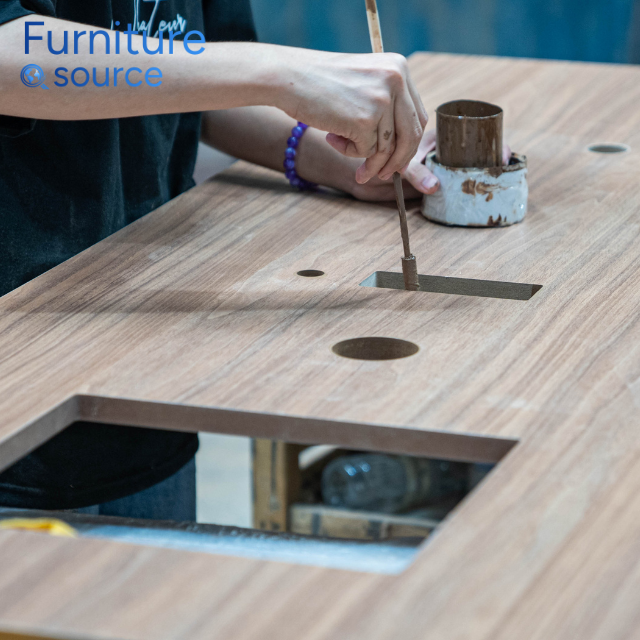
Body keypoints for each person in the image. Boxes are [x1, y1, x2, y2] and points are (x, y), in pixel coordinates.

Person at [0, 0, 502, 520]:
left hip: (146, 339)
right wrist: (279, 72)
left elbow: (196, 77)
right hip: (22, 361)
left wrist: (332, 159)